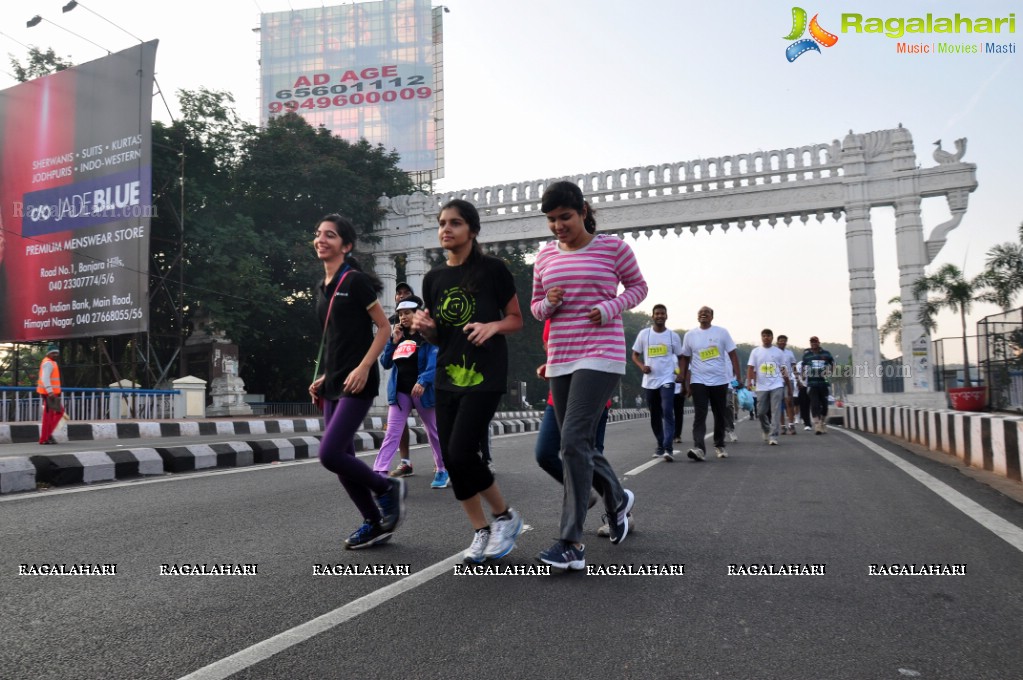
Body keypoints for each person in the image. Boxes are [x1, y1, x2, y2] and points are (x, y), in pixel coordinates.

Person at [531, 180, 646, 572]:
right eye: (551, 220)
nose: (558, 226)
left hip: (601, 354)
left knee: (572, 441)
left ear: (582, 210)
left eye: (565, 217)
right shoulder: (545, 257)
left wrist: (612, 307)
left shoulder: (613, 248)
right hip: (561, 356)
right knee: (575, 445)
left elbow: (638, 287)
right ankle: (616, 499)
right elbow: (535, 308)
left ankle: (570, 542)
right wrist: (549, 302)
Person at [412, 199, 525, 564]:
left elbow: (516, 319)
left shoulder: (493, 270)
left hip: (485, 373)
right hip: (446, 375)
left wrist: (492, 325)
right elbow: (440, 337)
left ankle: (506, 516)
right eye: (442, 223)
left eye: (455, 223)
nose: (446, 229)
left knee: (461, 452)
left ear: (472, 230)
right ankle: (481, 531)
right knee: (451, 457)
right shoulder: (433, 278)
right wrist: (428, 331)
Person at [309, 214, 406, 550]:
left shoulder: (355, 281)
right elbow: (337, 339)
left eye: (331, 235)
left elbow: (383, 327)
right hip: (335, 381)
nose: (322, 240)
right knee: (341, 461)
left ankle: (386, 488)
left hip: (358, 380)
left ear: (346, 245)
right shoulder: (323, 287)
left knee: (330, 453)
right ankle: (374, 522)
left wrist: (365, 367)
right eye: (319, 234)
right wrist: (323, 376)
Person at [373, 295, 449, 489]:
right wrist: (392, 341)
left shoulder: (427, 337)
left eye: (407, 313)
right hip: (400, 393)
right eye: (400, 314)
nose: (403, 317)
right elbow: (386, 363)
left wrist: (423, 381)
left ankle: (442, 469)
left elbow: (435, 364)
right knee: (392, 433)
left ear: (417, 314)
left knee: (434, 432)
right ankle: (379, 473)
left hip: (422, 392)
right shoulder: (398, 336)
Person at [679, 306, 742, 461]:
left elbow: (733, 354)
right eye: (700, 313)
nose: (703, 315)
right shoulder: (690, 335)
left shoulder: (722, 332)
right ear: (697, 317)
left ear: (712, 317)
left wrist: (738, 376)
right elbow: (685, 358)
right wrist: (683, 380)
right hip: (698, 380)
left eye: (707, 313)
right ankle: (699, 447)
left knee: (719, 413)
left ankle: (719, 444)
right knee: (700, 414)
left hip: (720, 380)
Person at [631, 304, 684, 461]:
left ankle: (668, 448)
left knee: (667, 409)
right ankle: (660, 445)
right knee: (655, 414)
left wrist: (680, 374)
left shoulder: (672, 336)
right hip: (650, 381)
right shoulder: (644, 334)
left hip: (667, 379)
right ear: (652, 316)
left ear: (666, 316)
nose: (660, 316)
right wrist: (642, 366)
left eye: (663, 314)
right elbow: (634, 355)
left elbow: (681, 357)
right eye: (657, 314)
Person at [387, 282, 416, 476]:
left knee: (434, 426)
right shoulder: (390, 324)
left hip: (423, 384)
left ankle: (442, 464)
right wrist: (392, 340)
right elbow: (385, 361)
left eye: (407, 293)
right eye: (399, 293)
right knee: (398, 424)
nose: (402, 295)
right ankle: (405, 462)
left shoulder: (425, 324)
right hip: (401, 385)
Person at [746, 328, 790, 446]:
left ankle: (773, 435)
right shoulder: (755, 352)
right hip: (761, 386)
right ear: (761, 337)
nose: (766, 338)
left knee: (776, 411)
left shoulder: (778, 352)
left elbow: (783, 369)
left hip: (777, 384)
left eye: (768, 336)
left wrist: (788, 384)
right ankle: (766, 429)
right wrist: (750, 382)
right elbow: (750, 367)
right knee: (760, 412)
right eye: (764, 336)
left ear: (772, 338)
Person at [803, 336, 835, 434]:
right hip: (812, 383)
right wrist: (803, 376)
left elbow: (833, 364)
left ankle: (822, 421)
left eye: (815, 342)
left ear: (818, 343)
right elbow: (804, 367)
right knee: (814, 404)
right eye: (812, 342)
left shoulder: (826, 354)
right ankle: (817, 424)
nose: (813, 344)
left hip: (823, 383)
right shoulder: (807, 355)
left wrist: (830, 372)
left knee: (825, 405)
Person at [37, 345, 63, 445]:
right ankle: (45, 437)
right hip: (49, 394)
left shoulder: (51, 362)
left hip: (50, 393)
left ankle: (46, 436)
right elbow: (45, 378)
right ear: (48, 353)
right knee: (57, 413)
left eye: (56, 353)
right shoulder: (48, 363)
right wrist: (50, 391)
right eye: (53, 353)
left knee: (51, 415)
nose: (55, 355)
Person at [776, 335, 798, 435]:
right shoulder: (774, 352)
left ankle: (791, 425)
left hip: (789, 380)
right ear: (777, 342)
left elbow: (794, 366)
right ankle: (782, 426)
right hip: (777, 381)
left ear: (786, 342)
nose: (782, 343)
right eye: (780, 341)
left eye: (784, 341)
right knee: (780, 404)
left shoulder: (789, 353)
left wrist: (798, 377)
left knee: (789, 402)